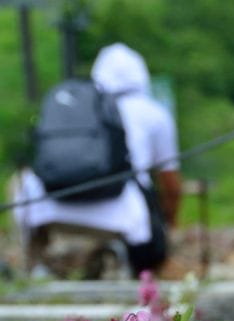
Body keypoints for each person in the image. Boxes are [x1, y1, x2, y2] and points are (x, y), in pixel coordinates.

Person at [15, 43, 181, 276]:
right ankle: (137, 271)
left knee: (18, 182)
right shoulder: (154, 113)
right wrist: (169, 224)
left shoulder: (75, 104)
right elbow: (171, 183)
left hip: (48, 204)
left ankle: (35, 267)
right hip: (122, 209)